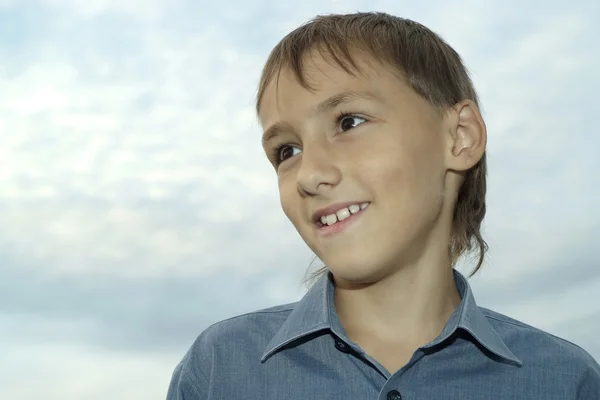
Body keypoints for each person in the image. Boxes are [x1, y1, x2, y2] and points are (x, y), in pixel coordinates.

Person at [166, 12, 600, 399]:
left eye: (349, 122)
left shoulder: (567, 381)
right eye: (286, 151)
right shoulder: (219, 370)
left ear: (460, 136)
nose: (309, 174)